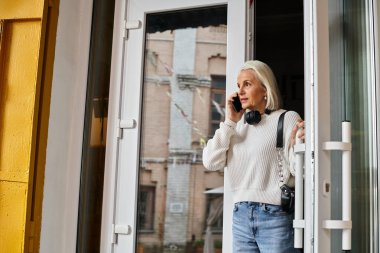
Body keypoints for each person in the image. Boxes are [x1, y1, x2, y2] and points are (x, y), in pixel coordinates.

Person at [202, 60, 304, 253]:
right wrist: (230, 121)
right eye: (238, 86)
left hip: (274, 216)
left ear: (265, 88)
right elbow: (210, 161)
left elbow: (299, 170)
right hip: (240, 217)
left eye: (247, 84)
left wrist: (303, 145)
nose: (240, 91)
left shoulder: (286, 118)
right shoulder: (235, 126)